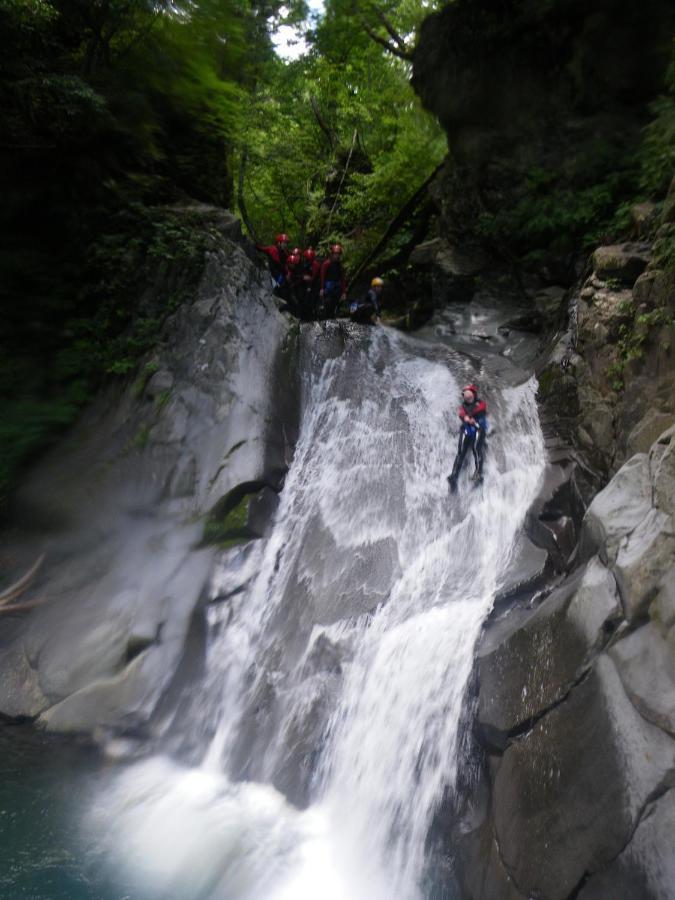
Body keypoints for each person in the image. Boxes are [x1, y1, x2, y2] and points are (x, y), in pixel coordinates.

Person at [447, 384, 487, 491]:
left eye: (469, 394)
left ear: (474, 394)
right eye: (465, 395)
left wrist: (469, 417)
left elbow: (481, 409)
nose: (467, 397)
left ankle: (478, 473)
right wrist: (465, 417)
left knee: (476, 449)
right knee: (460, 452)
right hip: (467, 430)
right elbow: (461, 413)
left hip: (478, 429)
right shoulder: (462, 406)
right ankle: (454, 475)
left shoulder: (480, 403)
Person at [320, 243, 347, 317]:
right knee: (327, 304)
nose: (336, 255)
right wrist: (322, 288)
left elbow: (343, 279)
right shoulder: (326, 263)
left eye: (338, 254)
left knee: (334, 305)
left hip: (337, 288)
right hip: (328, 288)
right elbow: (322, 276)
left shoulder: (340, 265)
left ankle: (332, 316)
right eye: (335, 254)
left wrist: (344, 292)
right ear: (332, 254)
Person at [298, 248, 321, 320]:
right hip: (309, 285)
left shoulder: (315, 264)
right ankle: (306, 317)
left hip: (314, 286)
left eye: (306, 258)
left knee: (310, 302)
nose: (304, 259)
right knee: (305, 301)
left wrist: (309, 285)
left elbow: (313, 277)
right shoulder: (307, 263)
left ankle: (311, 317)